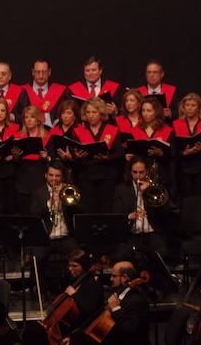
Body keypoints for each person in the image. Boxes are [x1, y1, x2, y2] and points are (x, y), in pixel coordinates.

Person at [29, 162, 81, 290]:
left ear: (62, 177)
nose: (54, 179)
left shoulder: (69, 190)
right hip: (45, 239)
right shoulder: (38, 193)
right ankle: (39, 290)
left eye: (57, 176)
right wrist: (50, 202)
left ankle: (75, 287)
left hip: (65, 237)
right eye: (51, 175)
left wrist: (65, 200)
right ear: (46, 175)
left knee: (78, 256)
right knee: (37, 257)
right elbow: (33, 215)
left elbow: (81, 210)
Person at [112, 157, 172, 261]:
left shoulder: (155, 188)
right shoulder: (121, 189)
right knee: (120, 256)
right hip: (131, 234)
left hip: (152, 233)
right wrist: (130, 216)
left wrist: (149, 191)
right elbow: (116, 214)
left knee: (161, 254)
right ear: (130, 172)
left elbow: (165, 212)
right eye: (135, 172)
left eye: (141, 172)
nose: (138, 176)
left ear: (147, 172)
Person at [73, 97, 123, 213]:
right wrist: (77, 156)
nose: (90, 115)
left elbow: (120, 153)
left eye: (94, 112)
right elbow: (75, 156)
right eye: (88, 112)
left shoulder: (112, 129)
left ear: (101, 113)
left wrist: (108, 158)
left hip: (107, 176)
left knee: (106, 208)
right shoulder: (78, 131)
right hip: (86, 176)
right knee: (89, 209)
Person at [99, 261, 152, 345]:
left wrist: (115, 308)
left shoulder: (137, 299)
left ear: (124, 277)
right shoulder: (121, 293)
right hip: (120, 341)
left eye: (114, 276)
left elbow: (129, 329)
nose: (111, 279)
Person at [172, 93, 201, 200]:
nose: (190, 108)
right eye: (187, 105)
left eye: (193, 105)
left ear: (199, 107)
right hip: (184, 168)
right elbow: (173, 150)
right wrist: (184, 153)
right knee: (187, 200)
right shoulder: (176, 124)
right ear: (183, 107)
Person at [128, 96, 174, 195]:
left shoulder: (166, 129)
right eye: (143, 110)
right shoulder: (136, 129)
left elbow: (173, 154)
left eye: (149, 110)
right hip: (142, 172)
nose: (145, 114)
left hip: (161, 172)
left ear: (156, 112)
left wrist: (161, 153)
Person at [15, 105, 51, 213]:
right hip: (22, 180)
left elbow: (52, 159)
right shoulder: (18, 136)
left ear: (38, 120)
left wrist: (46, 157)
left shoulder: (47, 136)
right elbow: (15, 162)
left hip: (39, 178)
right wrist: (16, 156)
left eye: (32, 117)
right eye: (26, 117)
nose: (29, 120)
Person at [24, 58, 68, 126]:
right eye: (38, 72)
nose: (41, 75)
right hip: (29, 132)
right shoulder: (23, 91)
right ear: (33, 72)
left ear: (49, 72)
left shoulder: (60, 91)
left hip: (54, 131)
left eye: (44, 72)